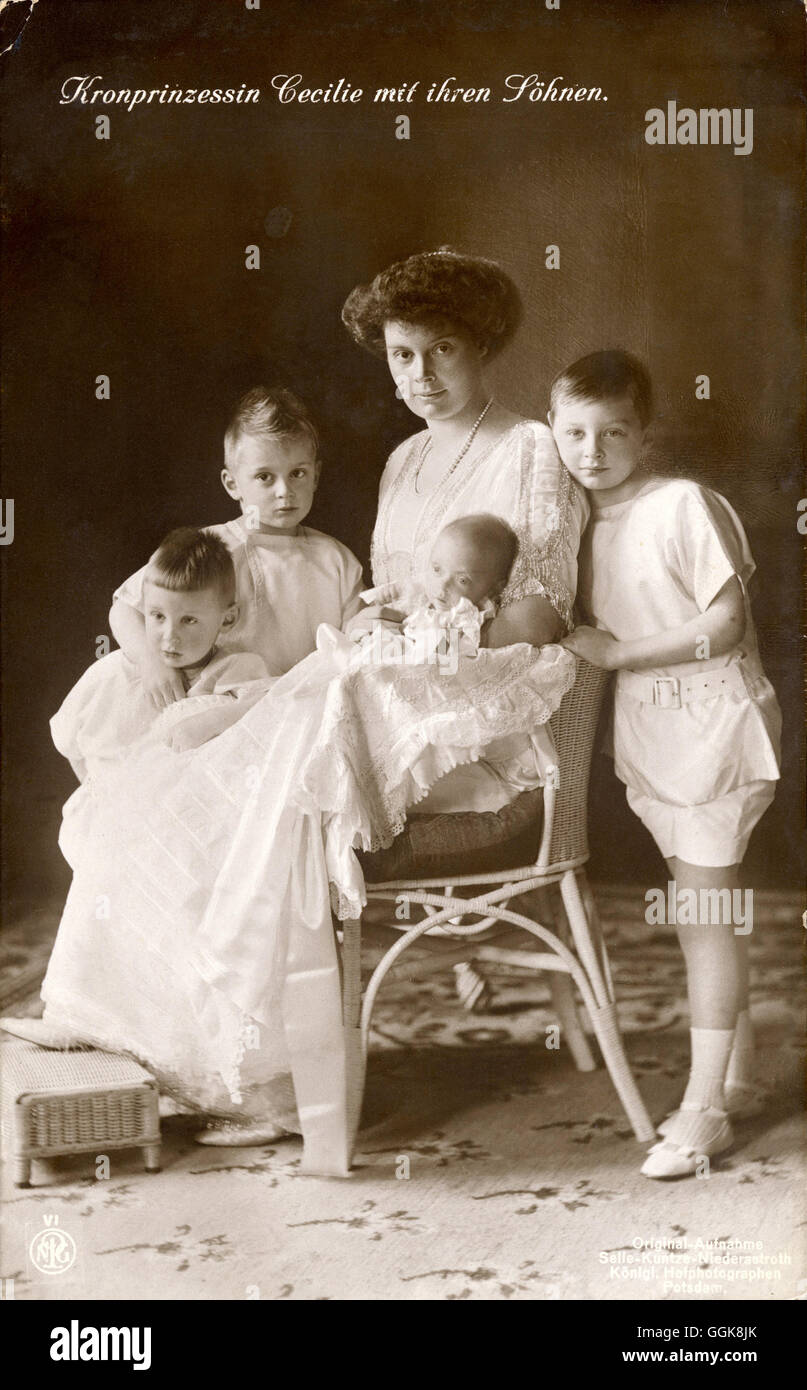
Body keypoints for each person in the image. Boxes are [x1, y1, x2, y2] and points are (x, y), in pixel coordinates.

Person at [551, 349, 781, 1179]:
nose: (591, 449)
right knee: (702, 910)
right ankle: (742, 1073)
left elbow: (723, 624)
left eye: (613, 431)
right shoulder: (578, 525)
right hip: (652, 735)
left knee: (703, 915)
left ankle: (704, 1108)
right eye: (573, 431)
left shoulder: (681, 504)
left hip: (713, 726)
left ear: (642, 435)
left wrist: (616, 656)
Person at [342, 247, 587, 1001]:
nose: (420, 375)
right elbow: (397, 588)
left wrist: (436, 642)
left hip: (484, 723)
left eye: (441, 350)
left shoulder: (529, 448)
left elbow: (541, 612)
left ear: (481, 345)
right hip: (401, 698)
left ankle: (295, 1067)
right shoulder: (401, 459)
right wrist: (377, 617)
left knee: (283, 801)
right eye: (401, 355)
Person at [109, 385, 364, 690]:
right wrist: (153, 663)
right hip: (220, 702)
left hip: (303, 707)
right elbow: (125, 608)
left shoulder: (335, 559)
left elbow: (358, 632)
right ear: (232, 484)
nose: (284, 491)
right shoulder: (210, 548)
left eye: (297, 473)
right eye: (264, 477)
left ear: (316, 476)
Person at [50, 526, 268, 784]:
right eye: (158, 616)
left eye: (189, 620)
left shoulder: (236, 670)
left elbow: (274, 709)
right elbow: (71, 745)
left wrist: (213, 721)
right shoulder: (112, 673)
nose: (169, 636)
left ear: (228, 619)